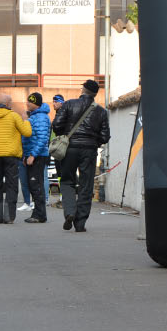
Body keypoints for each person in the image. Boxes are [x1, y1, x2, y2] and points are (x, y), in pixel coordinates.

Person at [52, 79, 111, 233]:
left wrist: (66, 135)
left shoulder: (69, 104)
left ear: (83, 90)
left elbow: (56, 125)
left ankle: (70, 212)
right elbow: (105, 137)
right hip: (90, 150)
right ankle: (80, 223)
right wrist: (93, 142)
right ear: (95, 94)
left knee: (67, 181)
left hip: (70, 148)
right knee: (86, 185)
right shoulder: (101, 111)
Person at [0, 92, 31, 224]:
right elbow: (27, 132)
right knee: (11, 185)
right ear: (8, 103)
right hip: (11, 155)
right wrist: (26, 121)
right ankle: (9, 217)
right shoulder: (14, 116)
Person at [22, 92, 52, 223]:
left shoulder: (41, 117)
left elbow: (42, 138)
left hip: (38, 156)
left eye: (30, 101)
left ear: (37, 103)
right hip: (32, 155)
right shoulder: (35, 116)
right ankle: (38, 214)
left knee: (36, 185)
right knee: (33, 184)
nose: (27, 103)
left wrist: (32, 155)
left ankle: (40, 215)